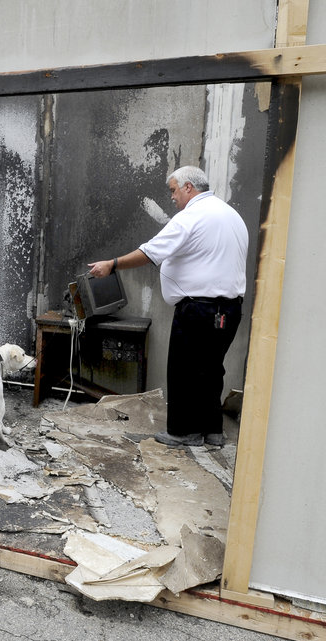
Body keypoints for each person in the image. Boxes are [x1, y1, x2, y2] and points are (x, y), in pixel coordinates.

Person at [88, 165, 247, 448]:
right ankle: (212, 431)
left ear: (189, 187)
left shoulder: (192, 216)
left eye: (173, 190)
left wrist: (112, 265)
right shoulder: (230, 215)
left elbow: (151, 252)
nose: (172, 197)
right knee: (211, 369)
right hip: (229, 310)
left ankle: (183, 432)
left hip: (198, 310)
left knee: (184, 370)